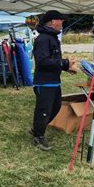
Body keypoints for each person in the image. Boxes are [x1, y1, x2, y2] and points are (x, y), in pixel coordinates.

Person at [30, 10, 77, 151]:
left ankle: (37, 128)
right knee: (44, 110)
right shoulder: (44, 39)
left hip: (53, 81)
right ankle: (38, 136)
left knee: (55, 107)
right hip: (44, 82)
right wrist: (64, 63)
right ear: (52, 22)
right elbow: (42, 61)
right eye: (60, 20)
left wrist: (66, 68)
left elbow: (53, 60)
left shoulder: (52, 38)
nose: (62, 23)